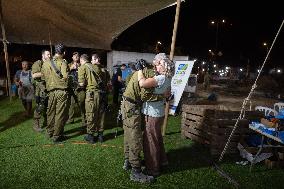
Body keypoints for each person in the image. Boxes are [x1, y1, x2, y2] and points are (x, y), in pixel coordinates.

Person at [121, 59, 168, 183]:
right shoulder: (150, 73)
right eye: (158, 65)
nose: (158, 67)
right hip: (132, 106)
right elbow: (144, 95)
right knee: (135, 136)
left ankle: (128, 161)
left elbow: (129, 82)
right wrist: (162, 96)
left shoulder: (139, 72)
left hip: (126, 103)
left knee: (128, 134)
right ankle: (136, 171)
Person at [137, 53, 175, 177]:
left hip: (152, 113)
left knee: (150, 141)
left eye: (158, 65)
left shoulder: (161, 78)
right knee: (157, 138)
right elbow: (168, 94)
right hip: (158, 113)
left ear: (163, 65)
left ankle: (152, 168)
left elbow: (142, 83)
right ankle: (162, 161)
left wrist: (139, 71)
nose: (156, 67)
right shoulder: (168, 78)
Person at [41, 44, 70, 143]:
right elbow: (65, 77)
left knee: (50, 112)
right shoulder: (63, 62)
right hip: (61, 91)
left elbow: (43, 78)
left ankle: (50, 132)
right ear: (64, 52)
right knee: (60, 114)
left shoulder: (45, 64)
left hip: (51, 92)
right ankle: (57, 136)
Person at [78, 54, 104, 144]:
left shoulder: (82, 68)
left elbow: (81, 84)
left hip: (91, 94)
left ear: (81, 60)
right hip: (101, 94)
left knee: (90, 113)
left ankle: (90, 136)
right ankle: (100, 135)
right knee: (100, 114)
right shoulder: (99, 68)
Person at [91, 53, 110, 142]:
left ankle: (92, 134)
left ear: (96, 60)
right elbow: (108, 82)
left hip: (95, 94)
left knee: (93, 114)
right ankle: (100, 135)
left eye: (92, 59)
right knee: (102, 115)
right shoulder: (105, 70)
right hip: (104, 94)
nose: (91, 61)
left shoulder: (92, 69)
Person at [32, 49, 51, 132]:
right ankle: (36, 125)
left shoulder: (50, 63)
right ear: (43, 55)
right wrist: (45, 73)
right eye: (48, 54)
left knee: (48, 107)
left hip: (49, 89)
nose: (49, 56)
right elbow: (34, 75)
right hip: (40, 91)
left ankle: (47, 123)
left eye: (50, 54)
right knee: (40, 108)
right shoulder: (38, 63)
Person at [67, 52, 80, 124]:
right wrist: (71, 67)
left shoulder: (81, 64)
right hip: (72, 87)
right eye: (75, 56)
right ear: (72, 57)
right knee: (71, 103)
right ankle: (71, 119)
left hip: (80, 86)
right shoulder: (69, 64)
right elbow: (65, 72)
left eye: (77, 56)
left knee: (81, 103)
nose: (76, 57)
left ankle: (85, 119)